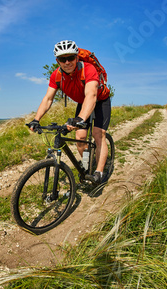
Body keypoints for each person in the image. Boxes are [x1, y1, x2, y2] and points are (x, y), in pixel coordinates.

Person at [28, 40, 112, 184]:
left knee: (98, 134)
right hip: (83, 102)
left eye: (71, 58)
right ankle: (86, 167)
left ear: (77, 57)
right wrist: (36, 119)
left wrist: (80, 118)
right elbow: (48, 99)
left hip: (100, 101)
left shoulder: (88, 69)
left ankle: (99, 172)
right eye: (62, 59)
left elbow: (91, 95)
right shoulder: (56, 76)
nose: (67, 62)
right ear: (57, 61)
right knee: (80, 138)